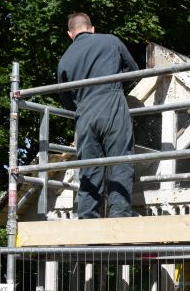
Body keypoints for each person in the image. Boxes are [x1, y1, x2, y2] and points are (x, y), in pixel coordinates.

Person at [57, 12, 140, 218]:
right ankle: (118, 217)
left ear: (70, 34)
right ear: (91, 28)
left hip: (84, 113)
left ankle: (87, 222)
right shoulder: (110, 40)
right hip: (112, 105)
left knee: (89, 170)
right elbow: (133, 70)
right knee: (120, 162)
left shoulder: (64, 60)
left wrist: (82, 106)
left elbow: (65, 97)